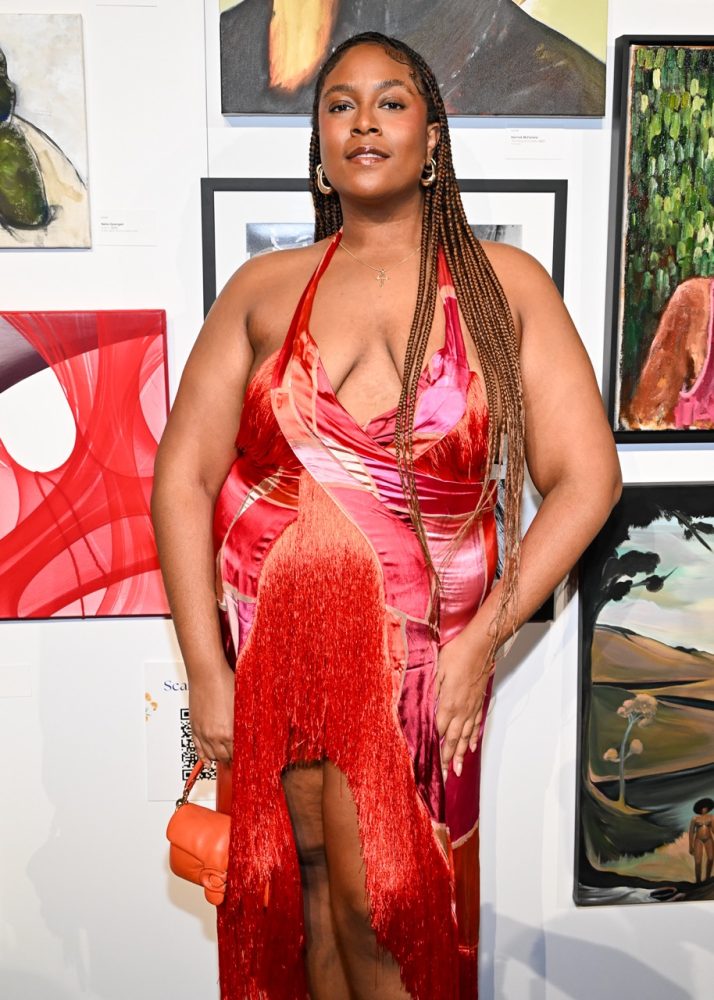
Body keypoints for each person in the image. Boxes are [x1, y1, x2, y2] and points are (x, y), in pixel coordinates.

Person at [152, 31, 622, 1000]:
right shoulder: (260, 289)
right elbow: (182, 479)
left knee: (391, 908)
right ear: (319, 140)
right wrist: (206, 672)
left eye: (391, 101)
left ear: (432, 137)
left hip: (420, 667)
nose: (364, 122)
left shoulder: (504, 285)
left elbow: (587, 479)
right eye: (340, 104)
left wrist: (483, 641)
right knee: (300, 896)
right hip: (274, 656)